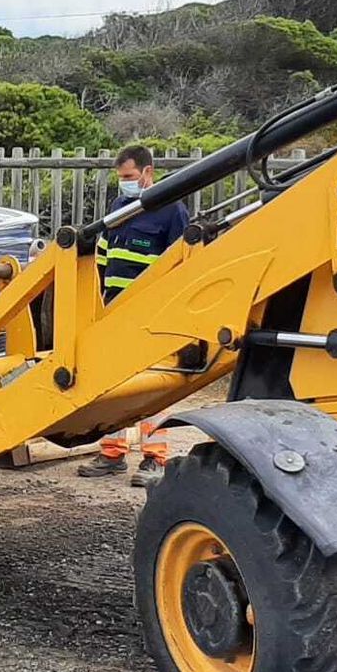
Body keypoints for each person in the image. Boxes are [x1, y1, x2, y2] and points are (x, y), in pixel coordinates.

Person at [77, 144, 190, 487]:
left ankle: (155, 458)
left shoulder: (172, 211)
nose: (123, 183)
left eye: (128, 177)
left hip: (152, 313)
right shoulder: (119, 207)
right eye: (120, 178)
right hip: (116, 308)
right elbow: (105, 255)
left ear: (147, 173)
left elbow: (182, 262)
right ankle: (113, 452)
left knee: (151, 385)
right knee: (112, 384)